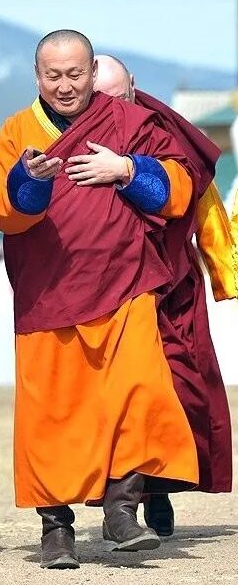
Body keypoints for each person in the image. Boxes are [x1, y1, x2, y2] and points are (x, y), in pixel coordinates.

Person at [0, 30, 202, 570]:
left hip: (124, 286)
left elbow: (179, 190)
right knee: (51, 415)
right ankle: (56, 527)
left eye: (76, 74)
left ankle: (122, 511)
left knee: (138, 396)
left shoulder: (128, 126)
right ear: (37, 77)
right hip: (49, 295)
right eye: (54, 75)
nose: (66, 85)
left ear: (93, 72)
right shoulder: (18, 133)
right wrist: (29, 181)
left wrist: (126, 170)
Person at [90, 54, 234, 535]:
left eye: (122, 95)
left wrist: (225, 271)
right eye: (104, 100)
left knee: (182, 390)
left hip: (171, 284)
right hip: (109, 286)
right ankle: (131, 496)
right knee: (128, 396)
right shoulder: (81, 135)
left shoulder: (165, 130)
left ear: (134, 84)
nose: (116, 108)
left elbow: (202, 199)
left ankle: (157, 491)